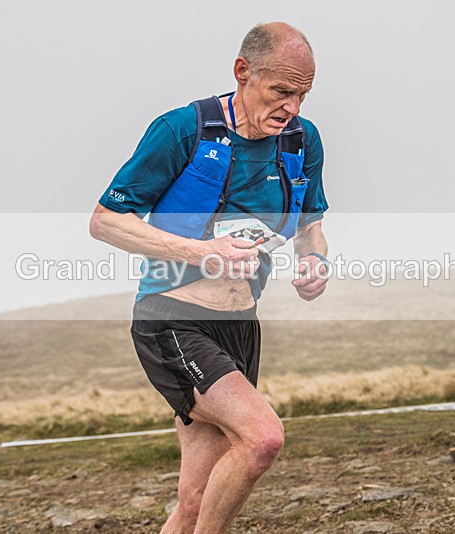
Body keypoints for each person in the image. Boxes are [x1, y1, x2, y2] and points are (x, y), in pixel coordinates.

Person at [90, 21, 330, 533]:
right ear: (243, 72)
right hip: (172, 320)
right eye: (281, 91)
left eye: (302, 95)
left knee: (197, 499)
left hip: (240, 325)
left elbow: (311, 227)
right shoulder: (183, 130)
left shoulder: (302, 142)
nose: (292, 107)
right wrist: (202, 251)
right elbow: (105, 221)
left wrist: (316, 261)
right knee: (263, 438)